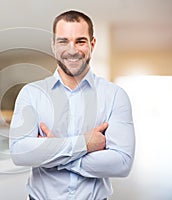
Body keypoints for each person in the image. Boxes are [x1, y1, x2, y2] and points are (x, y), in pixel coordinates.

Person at [9, 10, 135, 200]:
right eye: (63, 41)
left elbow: (122, 163)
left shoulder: (115, 95)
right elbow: (20, 153)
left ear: (92, 44)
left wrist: (52, 152)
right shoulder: (32, 94)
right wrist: (84, 144)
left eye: (80, 41)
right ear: (53, 45)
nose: (72, 50)